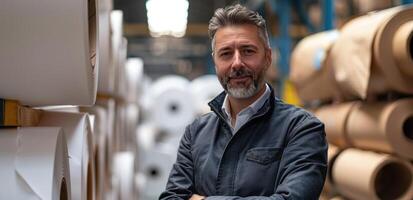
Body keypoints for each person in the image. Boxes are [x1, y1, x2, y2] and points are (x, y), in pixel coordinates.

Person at [159, 4, 328, 200]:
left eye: (248, 51)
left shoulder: (301, 129)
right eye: (226, 53)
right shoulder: (196, 133)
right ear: (216, 62)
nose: (237, 63)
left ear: (267, 57)